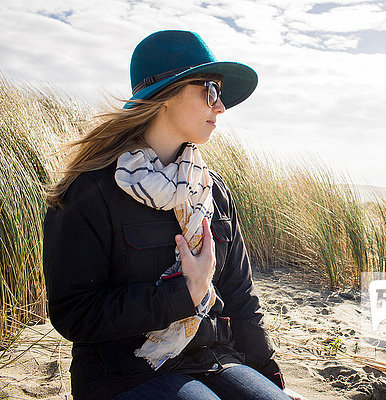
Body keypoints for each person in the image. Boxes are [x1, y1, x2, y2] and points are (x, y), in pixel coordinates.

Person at [43, 30, 306, 400]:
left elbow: (240, 295)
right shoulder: (91, 191)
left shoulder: (212, 190)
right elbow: (75, 313)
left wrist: (273, 380)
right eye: (210, 90)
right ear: (166, 94)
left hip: (212, 358)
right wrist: (184, 293)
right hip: (125, 371)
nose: (221, 107)